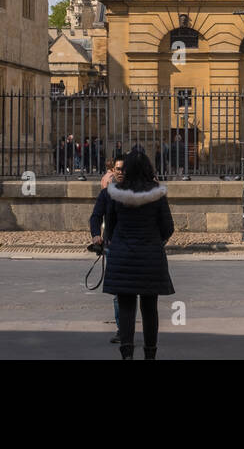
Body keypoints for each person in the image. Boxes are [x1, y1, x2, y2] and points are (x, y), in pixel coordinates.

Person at [102, 151, 175, 359]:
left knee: (126, 307)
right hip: (150, 257)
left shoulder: (115, 192)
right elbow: (168, 227)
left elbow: (110, 226)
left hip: (122, 257)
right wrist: (154, 242)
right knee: (150, 308)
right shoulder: (157, 193)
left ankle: (127, 354)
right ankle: (150, 354)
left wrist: (117, 243)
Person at [90, 158, 125, 343]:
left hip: (131, 247)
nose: (120, 172)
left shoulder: (135, 193)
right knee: (119, 292)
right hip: (113, 247)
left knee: (134, 292)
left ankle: (128, 329)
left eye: (123, 169)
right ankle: (122, 329)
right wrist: (96, 235)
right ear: (113, 170)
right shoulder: (106, 194)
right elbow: (95, 216)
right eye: (118, 169)